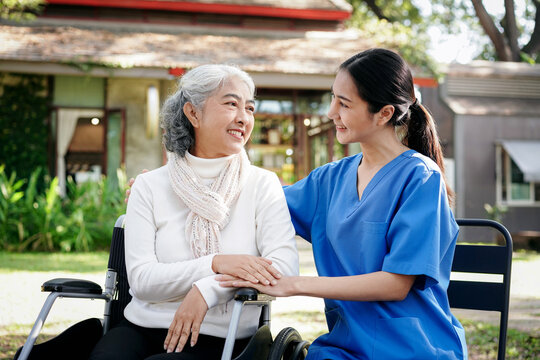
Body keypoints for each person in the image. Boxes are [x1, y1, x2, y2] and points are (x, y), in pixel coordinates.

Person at [218, 48, 467, 359]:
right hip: (344, 347)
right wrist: (169, 188)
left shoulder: (420, 178)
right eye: (333, 98)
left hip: (411, 347)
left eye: (344, 103)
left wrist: (293, 284)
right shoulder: (329, 180)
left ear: (384, 113)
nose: (330, 112)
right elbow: (257, 204)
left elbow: (395, 284)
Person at [90, 64, 298, 360]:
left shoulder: (262, 184)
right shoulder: (149, 186)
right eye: (231, 104)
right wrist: (215, 263)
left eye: (249, 108)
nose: (244, 117)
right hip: (142, 327)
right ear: (193, 113)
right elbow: (143, 281)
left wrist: (208, 290)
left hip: (223, 338)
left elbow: (284, 268)